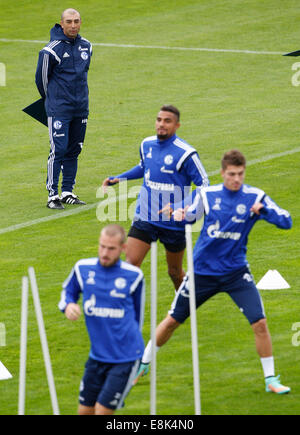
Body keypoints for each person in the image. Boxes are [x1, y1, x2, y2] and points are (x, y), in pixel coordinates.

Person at [135, 149, 292, 395]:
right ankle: (143, 363)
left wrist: (266, 211)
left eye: (240, 174)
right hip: (202, 274)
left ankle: (271, 379)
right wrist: (179, 213)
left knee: (260, 323)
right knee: (172, 321)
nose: (236, 179)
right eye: (231, 174)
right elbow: (188, 211)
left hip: (236, 273)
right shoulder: (207, 195)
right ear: (222, 173)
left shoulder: (255, 197)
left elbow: (287, 221)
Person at [102, 105, 209, 291]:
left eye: (167, 121)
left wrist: (180, 206)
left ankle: (183, 307)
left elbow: (204, 185)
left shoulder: (186, 153)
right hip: (145, 216)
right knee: (130, 265)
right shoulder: (146, 144)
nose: (161, 124)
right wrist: (119, 178)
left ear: (177, 125)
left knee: (174, 272)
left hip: (173, 222)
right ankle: (125, 313)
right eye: (159, 120)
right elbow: (144, 167)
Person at [58, 224, 145, 415]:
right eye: (102, 246)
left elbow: (138, 318)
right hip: (97, 357)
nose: (105, 253)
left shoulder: (134, 276)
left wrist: (139, 360)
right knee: (84, 412)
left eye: (111, 248)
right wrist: (69, 306)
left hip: (125, 358)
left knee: (102, 412)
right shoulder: (83, 268)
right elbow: (68, 292)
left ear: (123, 249)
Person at [35, 8, 92, 209]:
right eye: (69, 21)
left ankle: (67, 191)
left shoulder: (87, 46)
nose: (73, 25)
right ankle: (52, 195)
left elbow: (83, 76)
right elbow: (41, 81)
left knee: (74, 149)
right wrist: (52, 102)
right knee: (58, 149)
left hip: (81, 108)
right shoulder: (50, 50)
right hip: (59, 109)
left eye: (76, 21)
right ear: (61, 23)